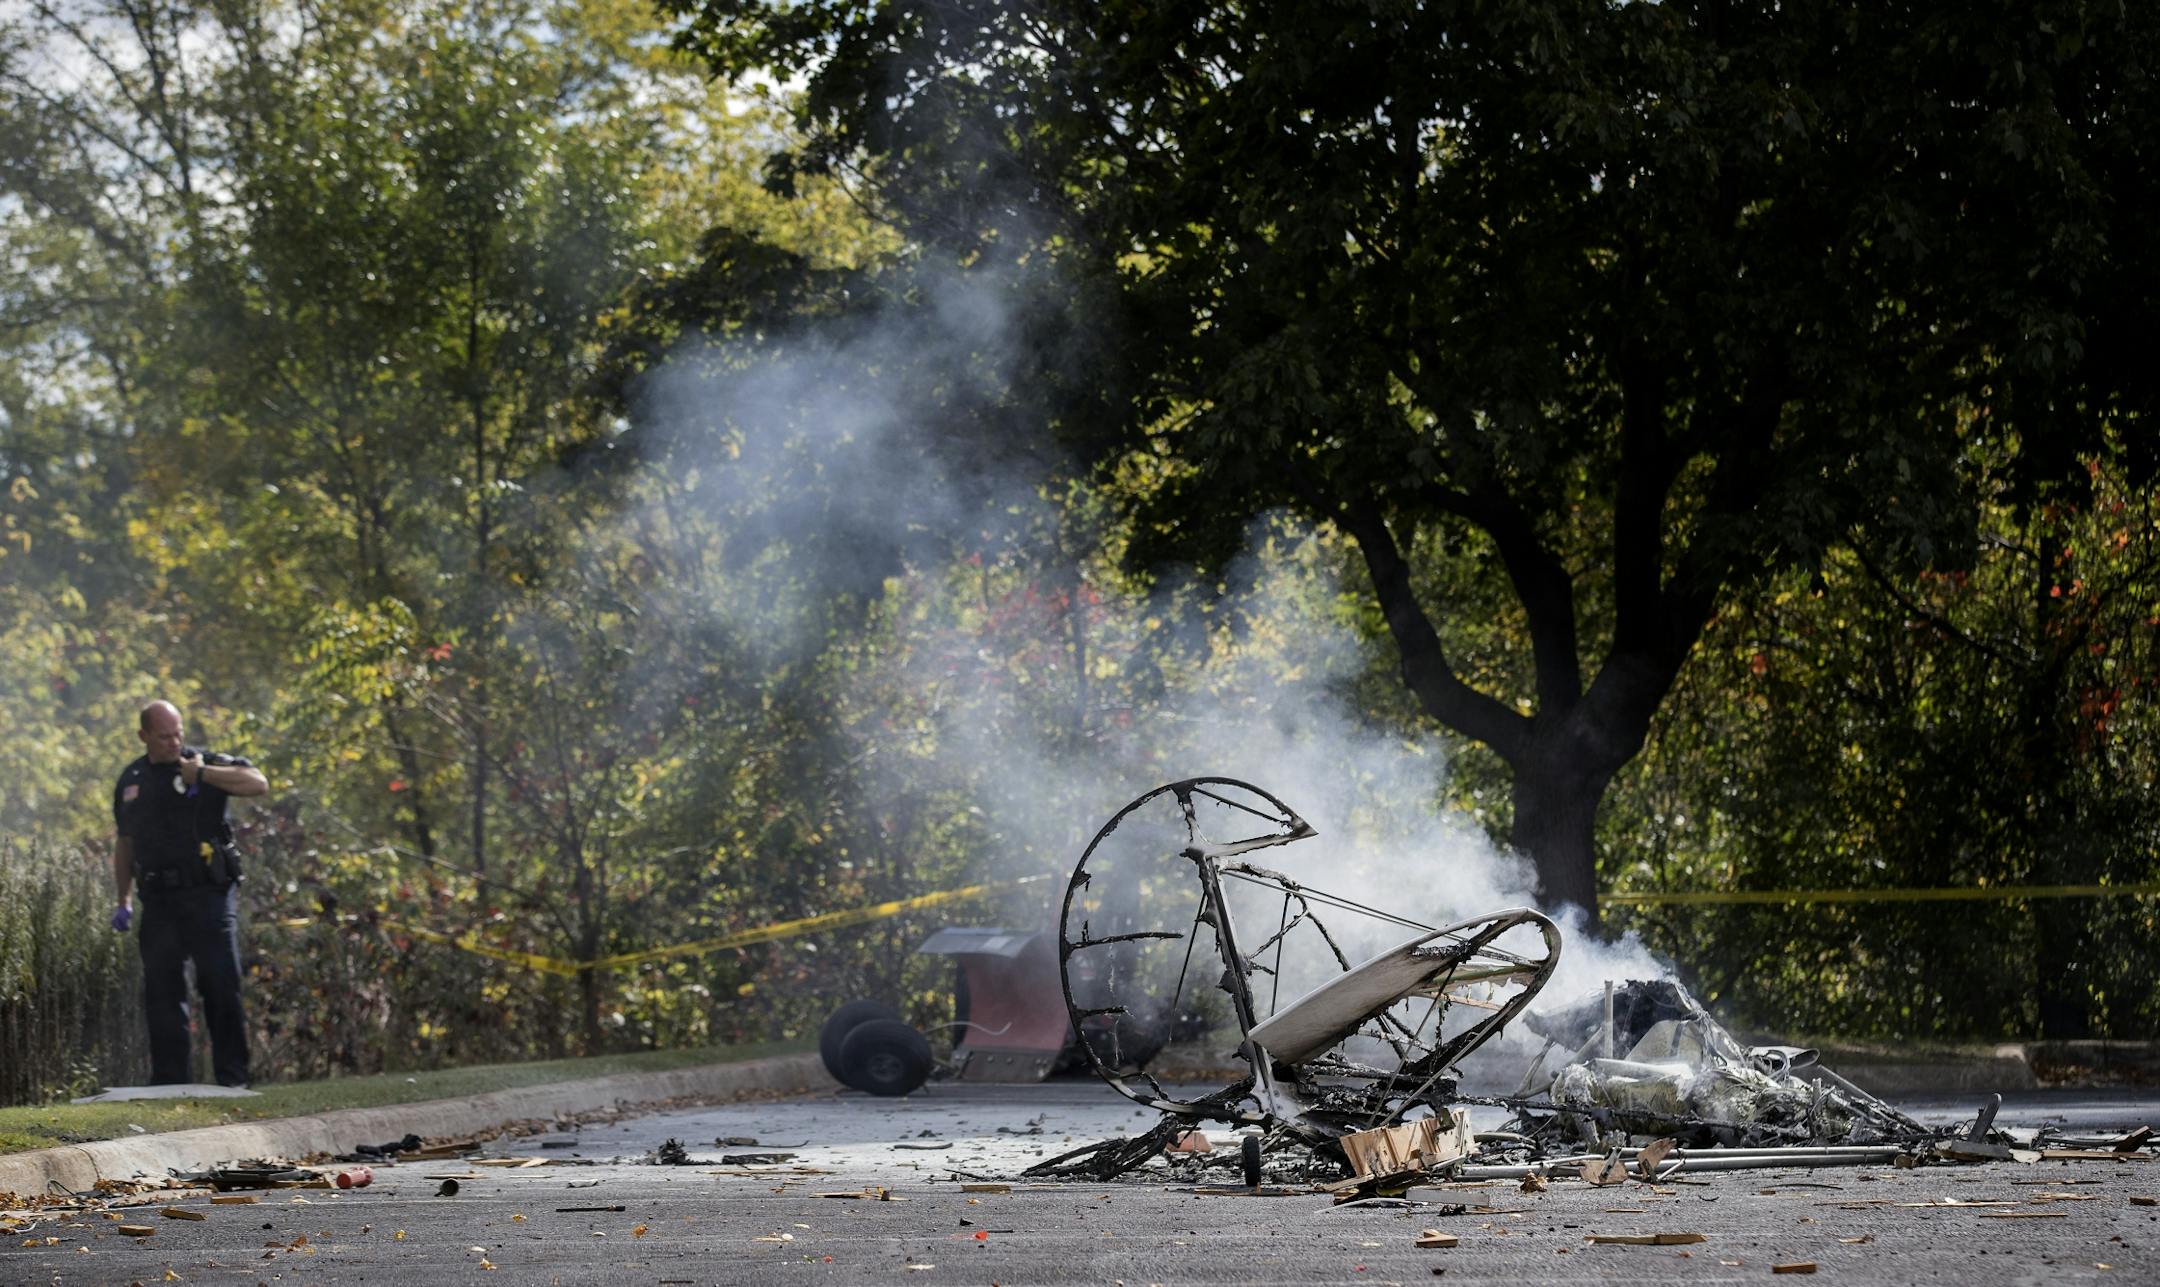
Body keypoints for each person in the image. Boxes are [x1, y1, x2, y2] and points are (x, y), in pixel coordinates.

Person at [110, 700, 268, 1087]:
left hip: (209, 894)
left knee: (219, 982)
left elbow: (258, 783)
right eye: (164, 736)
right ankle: (169, 1081)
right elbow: (125, 844)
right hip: (159, 898)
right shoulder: (132, 780)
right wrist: (123, 899)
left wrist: (204, 774)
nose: (174, 742)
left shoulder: (204, 763)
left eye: (178, 733)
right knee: (162, 992)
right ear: (144, 736)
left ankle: (233, 1078)